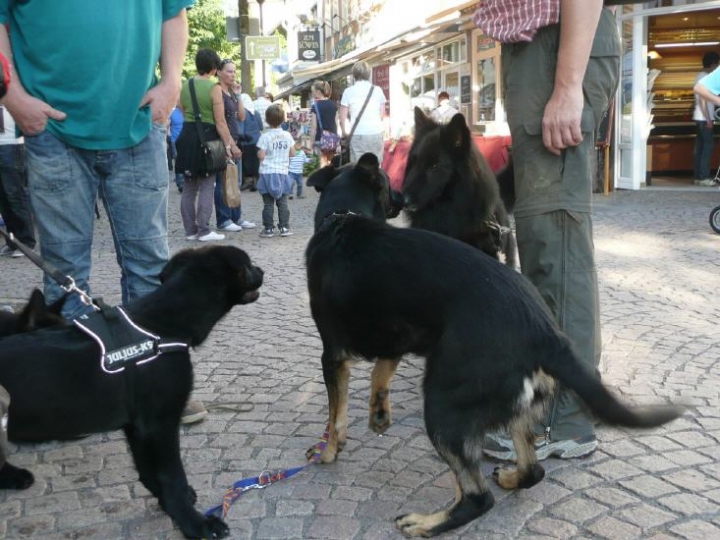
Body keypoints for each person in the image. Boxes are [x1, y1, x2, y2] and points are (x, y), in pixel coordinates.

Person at [474, 0, 621, 461]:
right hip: (543, 50)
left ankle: (560, 418)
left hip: (557, 48)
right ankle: (564, 409)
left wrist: (567, 85)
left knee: (554, 240)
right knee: (548, 239)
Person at [0, 0, 192, 320]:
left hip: (139, 122)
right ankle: (73, 368)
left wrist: (172, 81)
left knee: (149, 268)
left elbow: (173, 11)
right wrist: (11, 95)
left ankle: (146, 365)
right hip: (52, 130)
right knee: (65, 278)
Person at [175, 48, 241, 243]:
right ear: (214, 68)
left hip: (187, 136)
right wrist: (231, 145)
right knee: (206, 186)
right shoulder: (214, 88)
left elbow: (182, 108)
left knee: (188, 187)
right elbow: (220, 122)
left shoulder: (185, 85)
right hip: (208, 138)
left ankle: (190, 231)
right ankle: (204, 230)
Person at [212, 59, 256, 232]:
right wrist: (230, 144)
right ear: (219, 72)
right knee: (223, 182)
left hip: (234, 140)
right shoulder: (217, 90)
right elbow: (220, 121)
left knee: (234, 181)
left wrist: (238, 95)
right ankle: (224, 219)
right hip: (224, 142)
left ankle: (236, 217)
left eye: (234, 72)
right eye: (229, 71)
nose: (232, 75)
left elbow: (242, 116)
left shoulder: (230, 92)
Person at [0, 106, 34, 258]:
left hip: (12, 145)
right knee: (4, 199)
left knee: (15, 195)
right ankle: (13, 241)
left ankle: (26, 241)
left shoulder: (10, 89)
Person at [256, 105, 295, 238]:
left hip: (267, 172)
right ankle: (284, 227)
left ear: (266, 120)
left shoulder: (264, 137)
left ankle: (268, 229)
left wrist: (261, 154)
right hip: (282, 172)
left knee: (268, 203)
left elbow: (261, 155)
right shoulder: (287, 135)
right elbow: (292, 153)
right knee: (282, 202)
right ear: (283, 120)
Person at [339, 61, 386, 165]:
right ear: (368, 74)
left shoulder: (348, 92)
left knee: (358, 169)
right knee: (376, 167)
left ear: (354, 74)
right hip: (376, 133)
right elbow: (382, 115)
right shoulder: (378, 90)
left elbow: (342, 118)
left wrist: (344, 133)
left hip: (358, 134)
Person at [693, 52, 720, 187]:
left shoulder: (699, 76)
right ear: (713, 64)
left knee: (700, 147)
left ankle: (698, 176)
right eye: (717, 64)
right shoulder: (705, 78)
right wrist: (709, 119)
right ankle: (703, 177)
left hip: (699, 117)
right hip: (704, 118)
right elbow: (703, 101)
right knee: (707, 148)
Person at [309, 80, 339, 167]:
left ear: (318, 92)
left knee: (322, 166)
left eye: (313, 91)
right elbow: (336, 124)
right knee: (330, 164)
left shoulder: (315, 106)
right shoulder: (334, 105)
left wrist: (311, 143)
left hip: (320, 139)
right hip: (332, 139)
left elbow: (314, 127)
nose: (312, 94)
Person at [239, 93, 263, 192]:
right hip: (257, 141)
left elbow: (240, 129)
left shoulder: (242, 113)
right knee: (255, 163)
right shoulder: (256, 113)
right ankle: (255, 182)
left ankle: (248, 181)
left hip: (246, 141)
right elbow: (261, 127)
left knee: (247, 163)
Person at [168, 101, 185, 192]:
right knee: (178, 161)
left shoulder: (188, 112)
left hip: (187, 141)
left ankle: (187, 181)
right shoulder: (173, 112)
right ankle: (180, 183)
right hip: (175, 141)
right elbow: (167, 125)